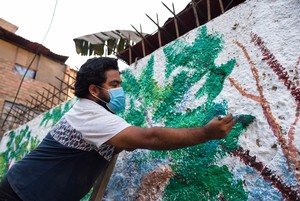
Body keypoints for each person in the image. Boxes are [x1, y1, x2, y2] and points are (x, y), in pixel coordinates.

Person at [0, 57, 235, 201]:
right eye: (114, 85)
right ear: (94, 91)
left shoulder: (92, 115)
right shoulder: (90, 114)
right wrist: (206, 133)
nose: (121, 91)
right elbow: (151, 137)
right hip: (19, 195)